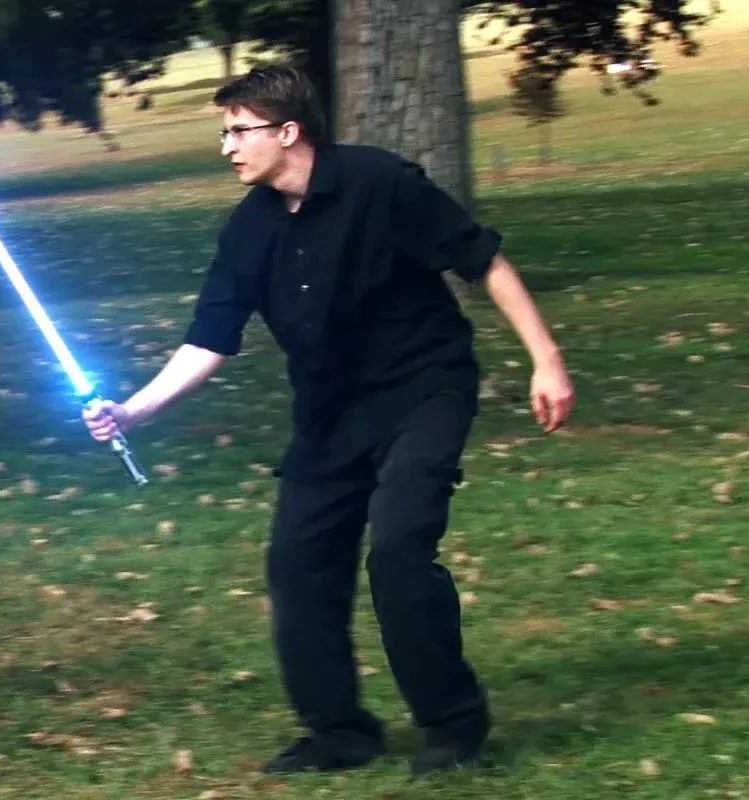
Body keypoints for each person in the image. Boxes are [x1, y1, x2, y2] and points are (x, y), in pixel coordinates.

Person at [81, 65, 574, 778]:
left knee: (399, 553)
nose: (227, 147)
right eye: (223, 133)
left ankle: (452, 724)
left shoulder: (380, 183)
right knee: (298, 565)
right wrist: (134, 409)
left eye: (239, 131)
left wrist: (546, 360)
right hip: (330, 414)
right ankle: (339, 732)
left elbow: (482, 260)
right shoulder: (248, 231)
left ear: (288, 131)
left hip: (424, 390)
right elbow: (210, 338)